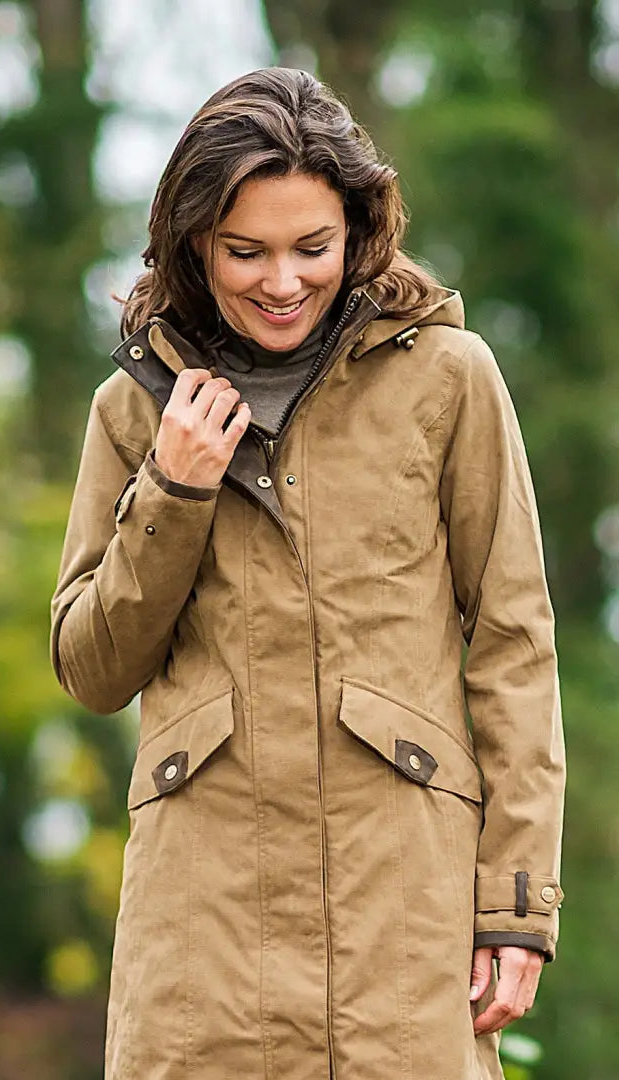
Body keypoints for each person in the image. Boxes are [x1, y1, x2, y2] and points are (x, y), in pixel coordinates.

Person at [49, 68, 566, 1080]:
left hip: (402, 908)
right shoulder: (131, 410)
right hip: (201, 930)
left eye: (311, 249)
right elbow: (90, 668)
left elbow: (514, 643)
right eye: (246, 251)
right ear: (195, 241)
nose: (281, 281)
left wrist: (514, 904)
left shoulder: (448, 379)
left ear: (359, 232)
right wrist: (174, 488)